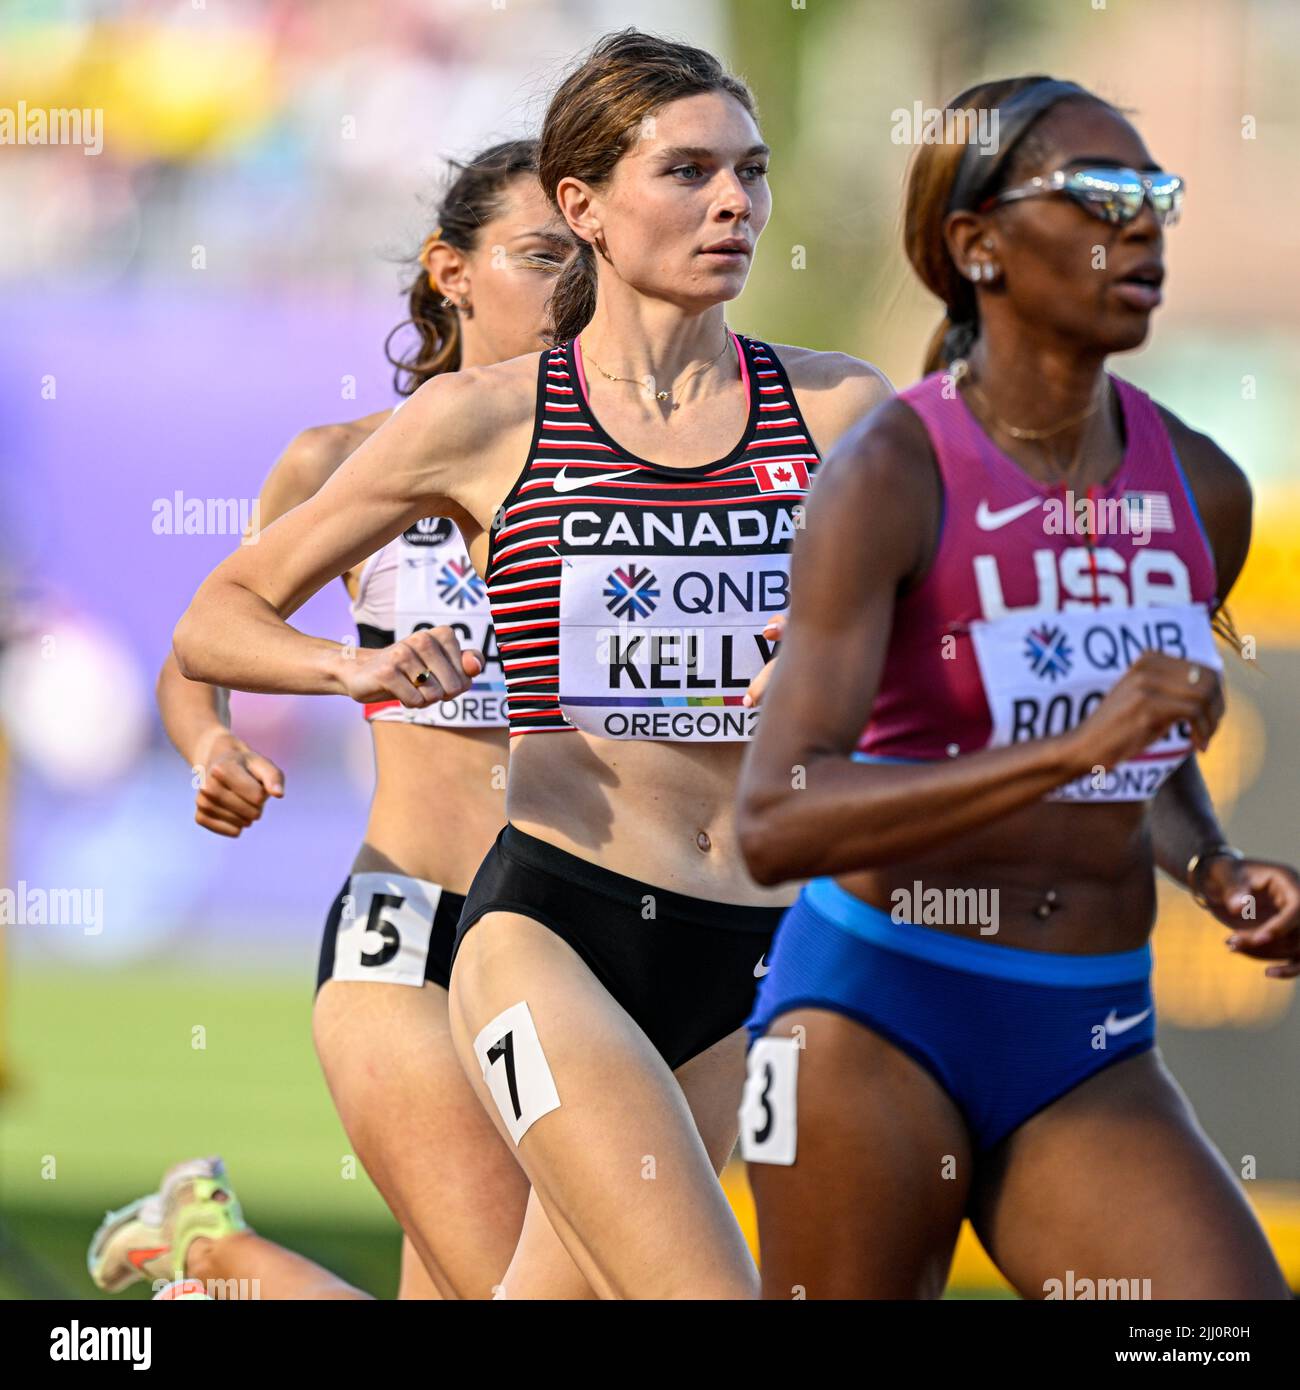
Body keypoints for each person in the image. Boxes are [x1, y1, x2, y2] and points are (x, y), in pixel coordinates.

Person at [171, 29, 891, 1299]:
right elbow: (214, 619)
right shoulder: (477, 422)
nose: (734, 202)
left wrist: (852, 659)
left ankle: (219, 1270)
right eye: (686, 172)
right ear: (586, 207)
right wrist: (357, 671)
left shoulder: (841, 412)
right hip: (538, 928)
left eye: (752, 170)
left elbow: (951, 635)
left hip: (749, 952)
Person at [735, 75, 1299, 1300]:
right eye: (1099, 196)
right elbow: (775, 821)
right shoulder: (890, 472)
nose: (1140, 228)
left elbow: (1139, 747)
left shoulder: (1202, 488)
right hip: (872, 1013)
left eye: (1156, 195)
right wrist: (1073, 750)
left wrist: (1212, 864)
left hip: (1086, 1034)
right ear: (974, 245)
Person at [90, 140, 576, 1300]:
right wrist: (228, 735)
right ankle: (217, 1251)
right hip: (409, 925)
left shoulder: (626, 474)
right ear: (448, 272)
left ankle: (210, 1253)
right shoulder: (344, 462)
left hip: (585, 938)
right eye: (541, 254)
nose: (573, 289)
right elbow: (199, 650)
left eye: (588, 259)